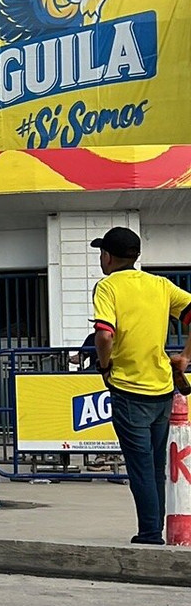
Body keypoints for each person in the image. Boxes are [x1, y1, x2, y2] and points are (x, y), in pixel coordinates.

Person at [90, 227, 191, 544]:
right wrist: (185, 358)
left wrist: (105, 366)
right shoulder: (160, 285)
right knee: (155, 464)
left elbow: (105, 335)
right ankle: (153, 528)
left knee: (141, 468)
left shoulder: (107, 288)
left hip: (129, 391)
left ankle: (150, 533)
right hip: (162, 390)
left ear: (107, 256)